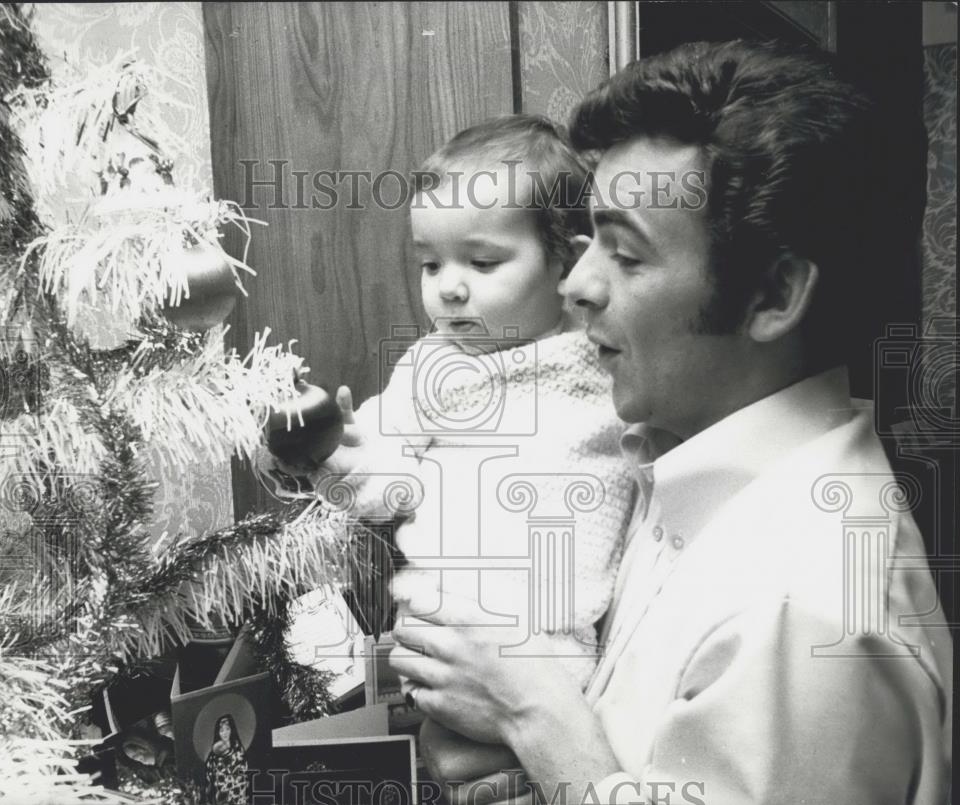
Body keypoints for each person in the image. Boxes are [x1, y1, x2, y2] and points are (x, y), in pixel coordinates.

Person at [389, 40, 952, 805]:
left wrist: (536, 715)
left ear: (772, 296)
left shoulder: (808, 609)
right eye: (587, 242)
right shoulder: (664, 467)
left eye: (625, 253)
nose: (578, 284)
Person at [300, 115, 638, 695]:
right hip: (442, 630)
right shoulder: (435, 367)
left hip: (560, 643)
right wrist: (350, 459)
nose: (449, 287)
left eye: (482, 263)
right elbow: (387, 474)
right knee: (456, 771)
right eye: (431, 264)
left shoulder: (607, 356)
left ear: (569, 263)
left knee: (531, 772)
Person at [204, 714, 249, 805]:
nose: (225, 733)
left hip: (238, 793)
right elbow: (209, 776)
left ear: (232, 730)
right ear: (218, 732)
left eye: (227, 729)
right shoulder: (213, 754)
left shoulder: (239, 750)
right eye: (222, 730)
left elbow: (244, 772)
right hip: (221, 794)